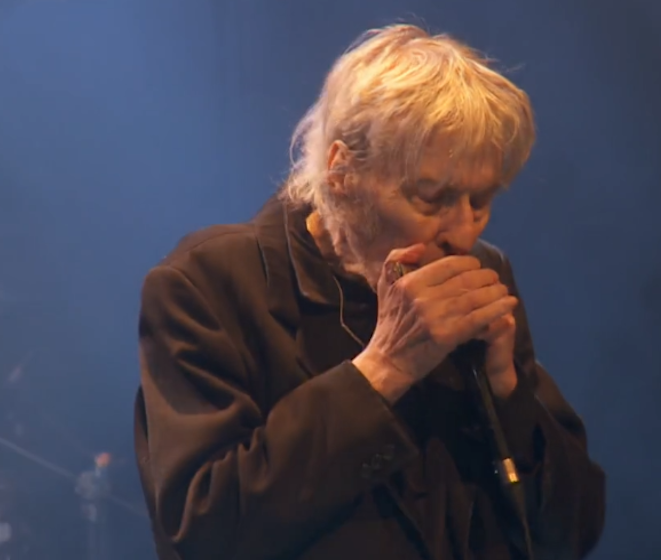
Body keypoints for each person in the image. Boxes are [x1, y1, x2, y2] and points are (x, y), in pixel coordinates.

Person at [134, 23, 606, 560]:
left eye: (481, 200)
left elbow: (573, 533)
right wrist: (385, 369)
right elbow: (206, 532)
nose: (463, 232)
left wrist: (509, 396)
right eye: (432, 197)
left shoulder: (483, 269)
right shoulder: (208, 283)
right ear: (342, 172)